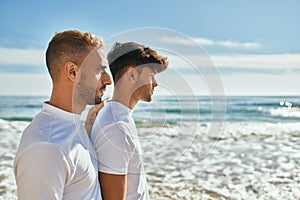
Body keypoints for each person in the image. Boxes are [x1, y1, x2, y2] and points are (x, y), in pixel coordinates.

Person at [14, 30, 112, 199]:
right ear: (72, 72)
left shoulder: (71, 125)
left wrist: (89, 122)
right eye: (99, 70)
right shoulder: (46, 148)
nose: (108, 80)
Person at [91, 42, 168, 199]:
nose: (155, 83)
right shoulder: (116, 128)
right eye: (151, 75)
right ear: (132, 74)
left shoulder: (118, 117)